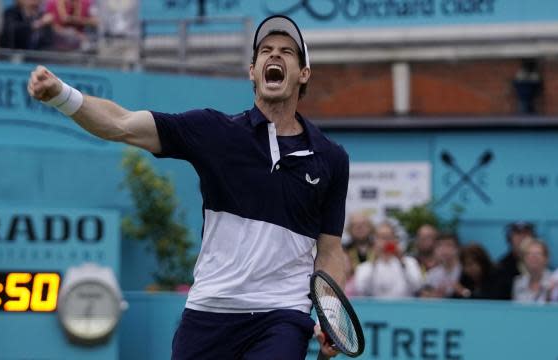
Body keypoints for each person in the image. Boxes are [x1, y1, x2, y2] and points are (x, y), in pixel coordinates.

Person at [28, 15, 349, 359]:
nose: (275, 56)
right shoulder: (214, 131)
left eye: (287, 51)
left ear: (303, 73)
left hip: (282, 314)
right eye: (265, 51)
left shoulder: (330, 158)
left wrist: (331, 316)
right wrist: (61, 95)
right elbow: (120, 124)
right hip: (209, 312)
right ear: (252, 71)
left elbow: (329, 250)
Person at [354, 220, 422, 298]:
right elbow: (361, 290)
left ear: (395, 240)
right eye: (381, 238)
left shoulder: (409, 262)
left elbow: (417, 286)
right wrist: (374, 261)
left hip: (404, 307)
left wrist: (401, 260)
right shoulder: (364, 267)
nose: (385, 242)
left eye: (388, 237)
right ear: (375, 241)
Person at [493, 221, 536, 300]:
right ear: (509, 238)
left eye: (526, 234)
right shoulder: (501, 266)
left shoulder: (539, 263)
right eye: (518, 234)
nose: (522, 238)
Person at [512, 239, 553, 304]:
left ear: (546, 258)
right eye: (529, 254)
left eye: (538, 253)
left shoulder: (555, 281)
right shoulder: (518, 283)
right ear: (523, 259)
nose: (533, 257)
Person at [424, 232, 461, 298]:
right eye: (440, 245)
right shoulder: (431, 274)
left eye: (449, 245)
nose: (444, 249)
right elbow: (425, 297)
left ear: (457, 248)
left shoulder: (464, 272)